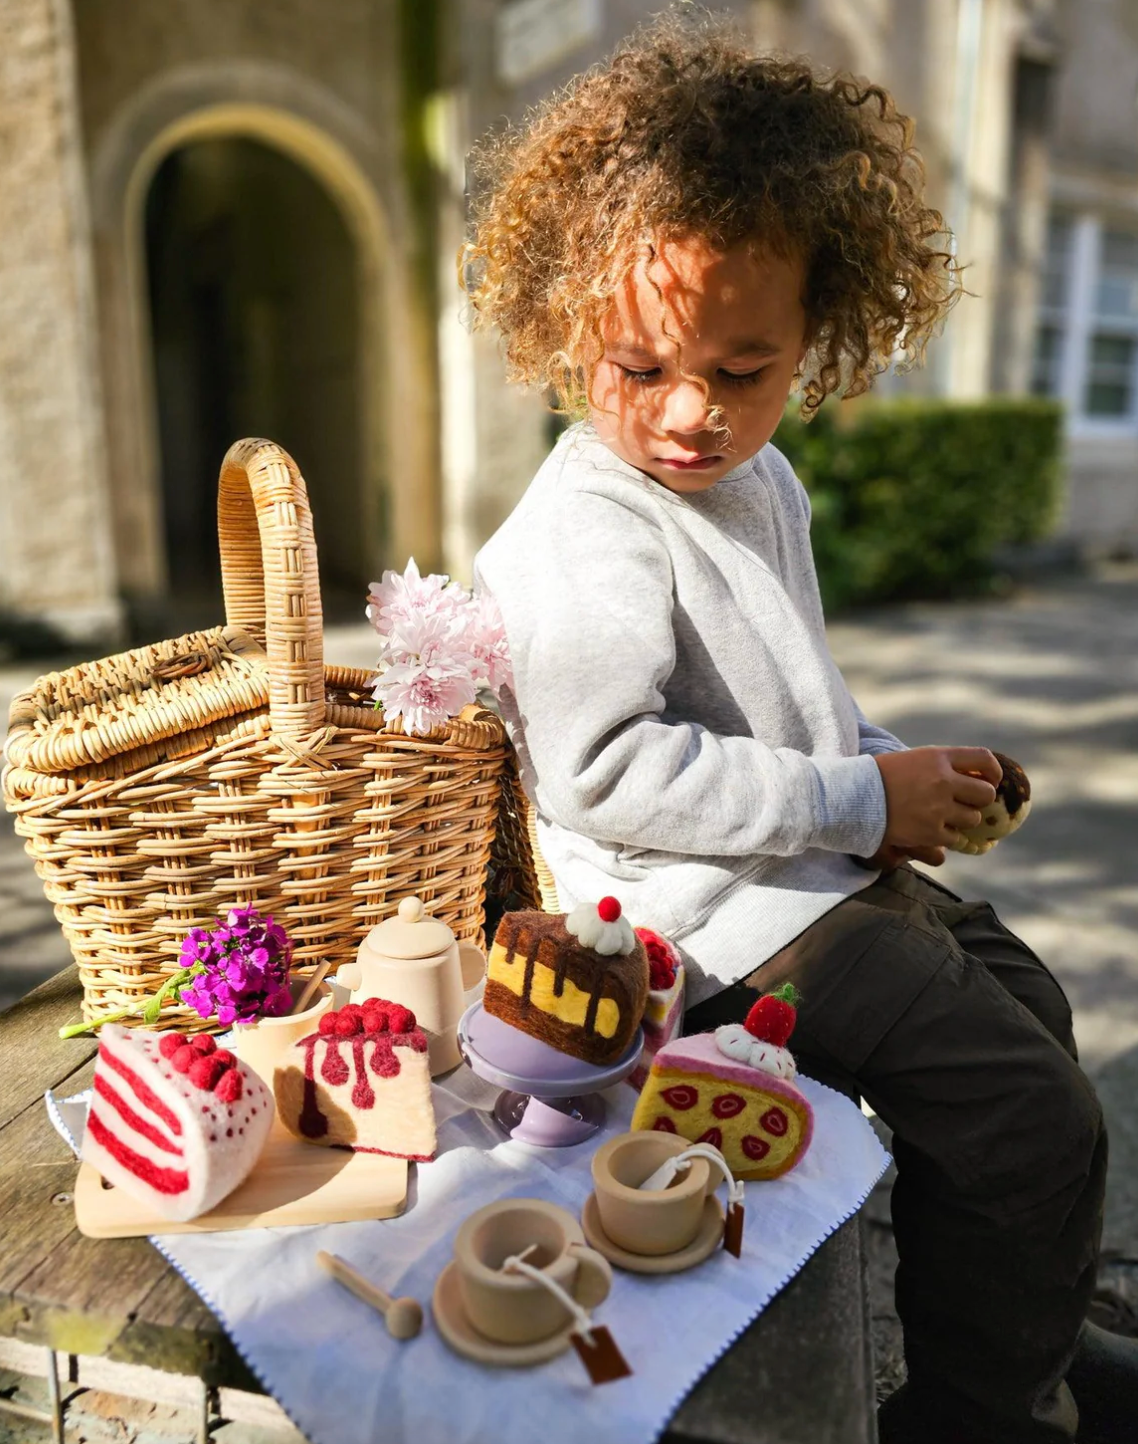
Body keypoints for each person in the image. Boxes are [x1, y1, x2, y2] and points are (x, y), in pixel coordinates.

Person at [466, 15, 1135, 1443]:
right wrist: (856, 802)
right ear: (565, 321)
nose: (692, 414)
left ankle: (1023, 1324)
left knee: (1034, 1015)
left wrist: (902, 767)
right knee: (1034, 1121)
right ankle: (977, 1411)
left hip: (796, 876)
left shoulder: (757, 489)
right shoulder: (583, 533)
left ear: (819, 343)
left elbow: (792, 703)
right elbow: (602, 771)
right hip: (694, 930)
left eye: (744, 369)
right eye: (641, 368)